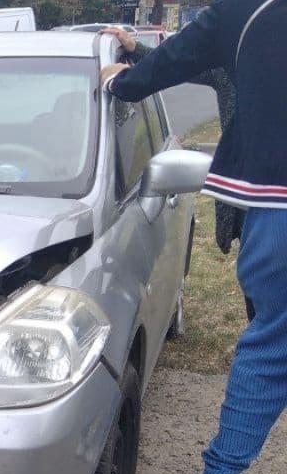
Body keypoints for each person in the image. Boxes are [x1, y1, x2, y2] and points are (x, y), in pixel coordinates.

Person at [101, 0, 287, 474]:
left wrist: (121, 81)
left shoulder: (255, 0)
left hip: (276, 207)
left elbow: (181, 57)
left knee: (270, 341)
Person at [101, 26, 252, 319]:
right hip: (250, 206)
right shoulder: (233, 65)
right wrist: (136, 51)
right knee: (262, 294)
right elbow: (181, 63)